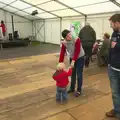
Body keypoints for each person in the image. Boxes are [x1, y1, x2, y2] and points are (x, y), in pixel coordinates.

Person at [59, 29, 85, 97]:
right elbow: (62, 52)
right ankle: (72, 88)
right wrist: (60, 63)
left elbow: (77, 50)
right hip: (72, 57)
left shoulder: (76, 39)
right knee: (72, 73)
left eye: (70, 34)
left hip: (80, 57)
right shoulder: (64, 42)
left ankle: (79, 90)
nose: (70, 36)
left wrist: (73, 61)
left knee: (79, 74)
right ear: (65, 38)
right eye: (68, 36)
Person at [106, 14, 120, 120]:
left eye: (112, 24)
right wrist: (109, 63)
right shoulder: (114, 33)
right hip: (113, 68)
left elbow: (115, 45)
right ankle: (117, 110)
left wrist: (117, 45)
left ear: (117, 23)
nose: (111, 26)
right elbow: (111, 48)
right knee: (115, 92)